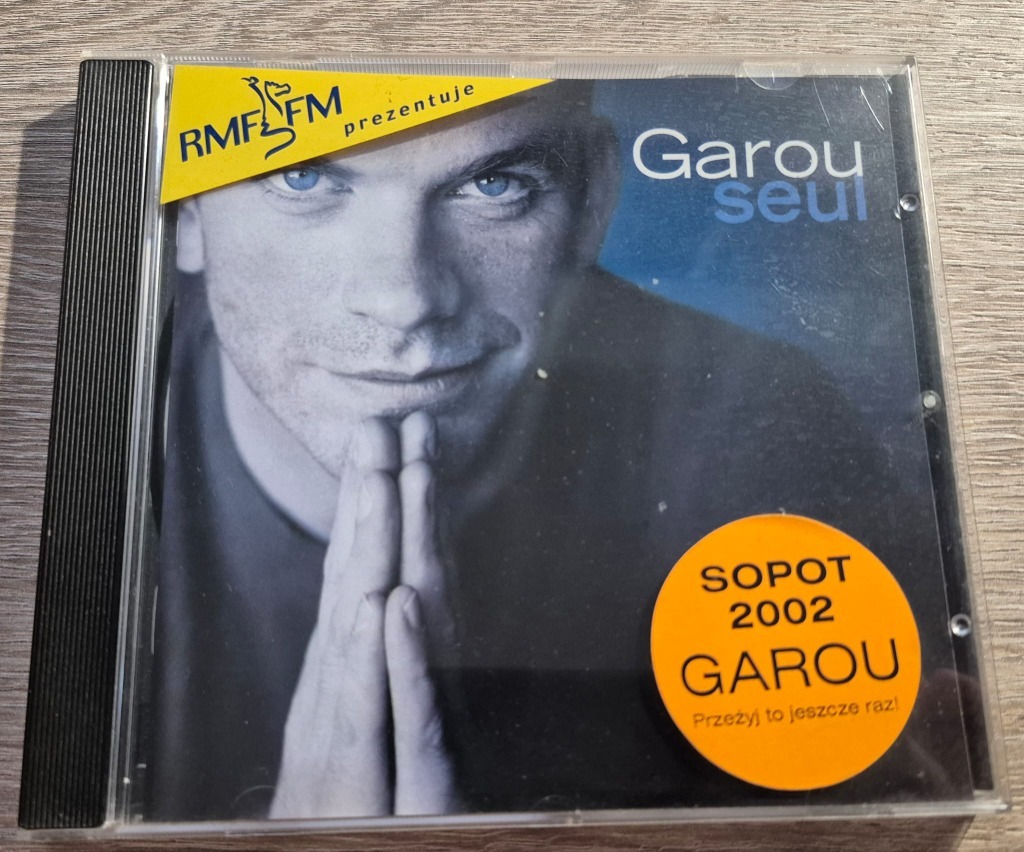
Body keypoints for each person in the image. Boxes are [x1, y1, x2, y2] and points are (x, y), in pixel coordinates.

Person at [147, 81, 970, 822]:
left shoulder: (759, 415)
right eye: (301, 178)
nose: (404, 298)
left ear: (595, 199)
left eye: (495, 186)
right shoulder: (97, 447)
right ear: (187, 212)